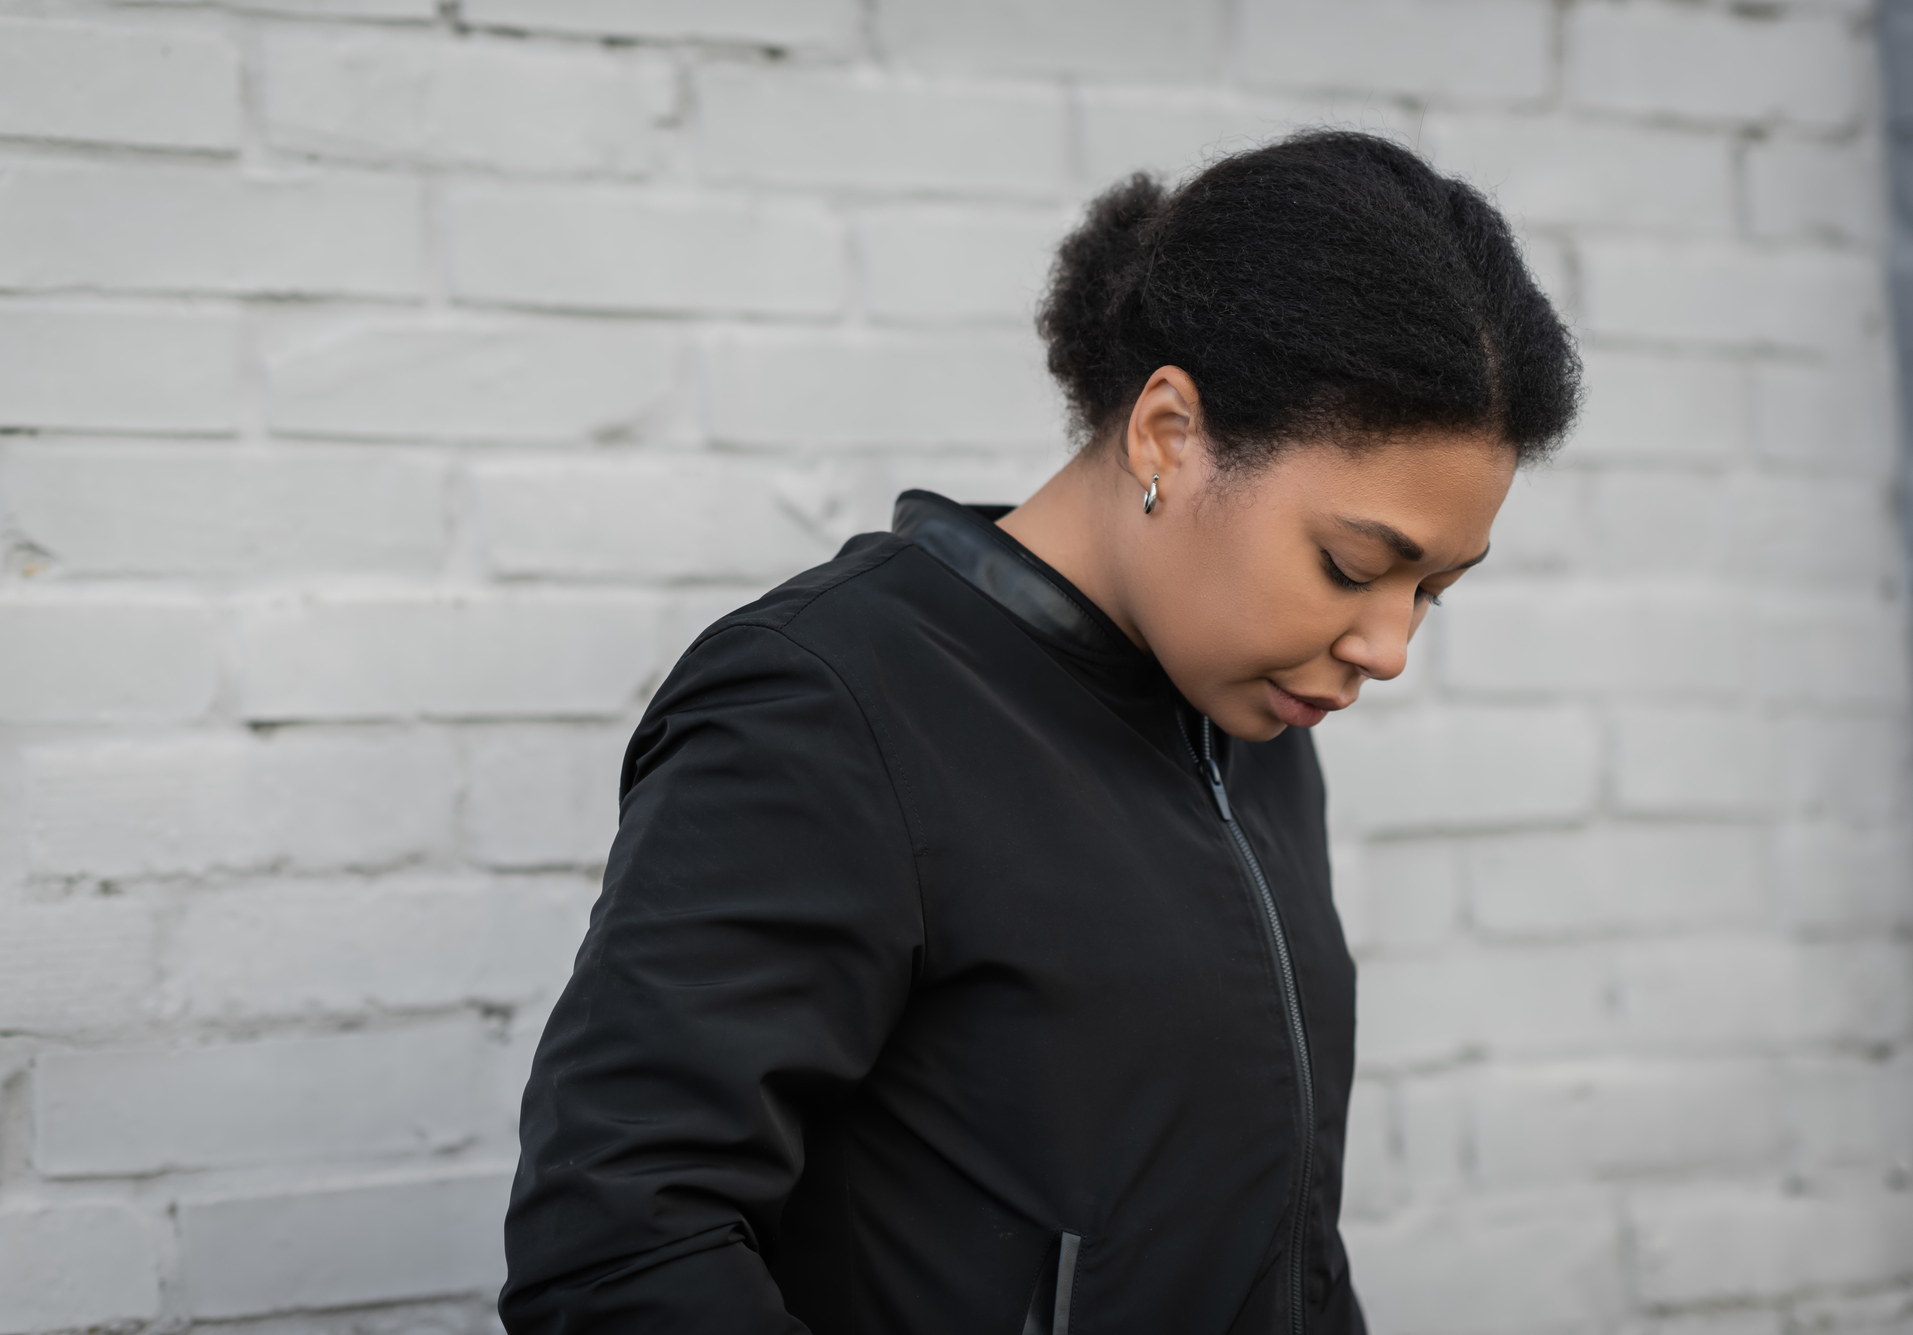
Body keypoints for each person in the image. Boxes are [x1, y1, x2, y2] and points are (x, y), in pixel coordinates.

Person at [500, 130, 1582, 1334]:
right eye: (1350, 566)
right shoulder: (831, 706)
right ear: (1167, 432)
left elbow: (1281, 1245)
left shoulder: (1259, 730)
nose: (1387, 646)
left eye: (1430, 589)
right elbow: (617, 1249)